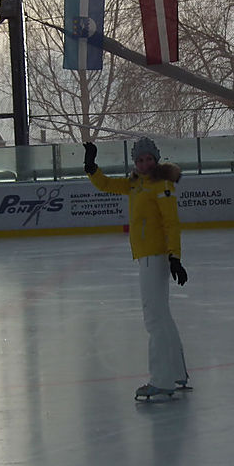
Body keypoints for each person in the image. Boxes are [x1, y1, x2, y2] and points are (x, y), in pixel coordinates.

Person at [83, 138, 190, 402]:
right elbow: (106, 184)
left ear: (156, 159)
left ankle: (161, 380)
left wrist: (175, 257)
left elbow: (171, 223)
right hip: (146, 256)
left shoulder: (161, 185)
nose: (144, 164)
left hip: (156, 256)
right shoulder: (134, 184)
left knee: (153, 318)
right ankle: (176, 372)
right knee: (162, 316)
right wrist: (90, 166)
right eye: (140, 160)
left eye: (149, 159)